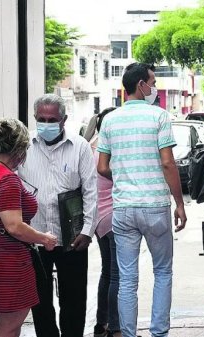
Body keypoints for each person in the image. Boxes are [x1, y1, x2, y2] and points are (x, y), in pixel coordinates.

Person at [0, 94, 98, 337]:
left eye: (52, 119)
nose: (46, 123)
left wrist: (87, 230)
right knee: (39, 303)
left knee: (74, 299)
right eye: (41, 119)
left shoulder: (80, 147)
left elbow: (91, 191)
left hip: (71, 239)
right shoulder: (23, 145)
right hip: (32, 240)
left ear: (64, 119)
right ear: (34, 118)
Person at [96, 62, 187, 337]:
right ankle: (159, 333)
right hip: (155, 207)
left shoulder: (110, 120)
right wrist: (180, 203)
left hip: (122, 209)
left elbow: (102, 167)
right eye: (153, 82)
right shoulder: (158, 117)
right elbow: (168, 163)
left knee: (127, 279)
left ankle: (128, 333)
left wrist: (125, 177)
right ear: (141, 85)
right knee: (162, 273)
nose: (155, 88)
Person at [0, 118, 58, 337]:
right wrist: (44, 238)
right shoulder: (7, 180)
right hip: (11, 264)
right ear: (19, 149)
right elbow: (14, 226)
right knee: (9, 327)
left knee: (4, 325)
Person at [91, 107, 121, 337]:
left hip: (99, 218)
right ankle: (115, 327)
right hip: (113, 216)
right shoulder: (108, 148)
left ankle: (101, 324)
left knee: (108, 273)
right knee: (117, 274)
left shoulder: (92, 145)